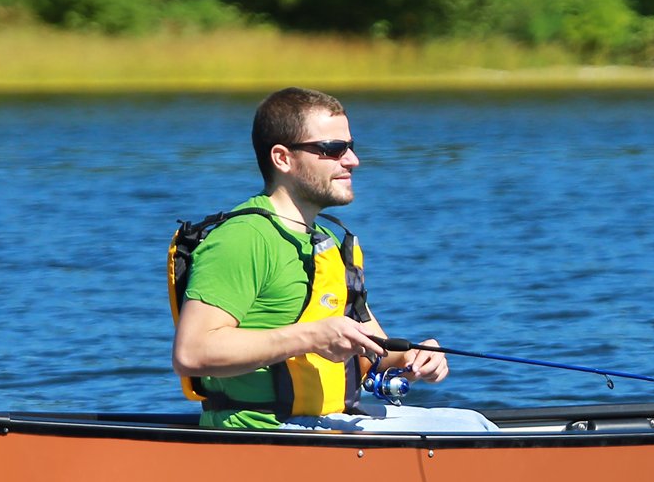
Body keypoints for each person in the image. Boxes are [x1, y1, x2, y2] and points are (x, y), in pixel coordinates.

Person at [169, 86, 496, 433]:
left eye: (351, 147)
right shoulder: (243, 239)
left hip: (329, 422)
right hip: (267, 431)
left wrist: (414, 358)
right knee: (471, 432)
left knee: (474, 422)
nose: (352, 160)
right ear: (283, 158)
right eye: (333, 149)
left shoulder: (325, 244)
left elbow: (375, 353)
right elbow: (192, 351)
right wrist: (310, 337)